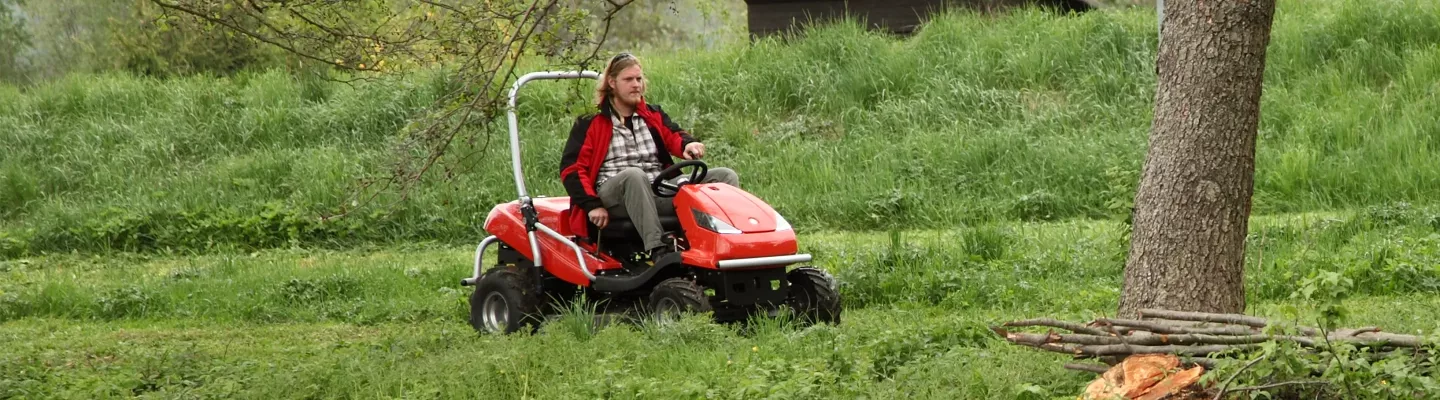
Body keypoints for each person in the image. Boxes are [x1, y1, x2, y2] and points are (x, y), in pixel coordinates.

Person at [559, 52, 740, 263]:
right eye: (628, 80)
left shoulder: (652, 115)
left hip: (656, 188)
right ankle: (658, 249)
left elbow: (673, 135)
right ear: (612, 83)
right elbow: (571, 169)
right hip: (614, 193)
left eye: (638, 79)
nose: (636, 85)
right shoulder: (590, 121)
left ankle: (727, 242)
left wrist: (688, 144)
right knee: (634, 175)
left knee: (725, 176)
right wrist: (592, 205)